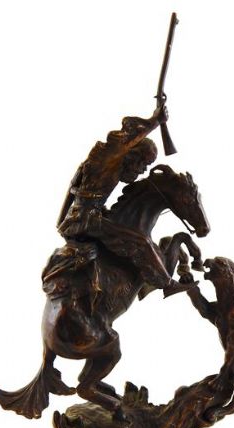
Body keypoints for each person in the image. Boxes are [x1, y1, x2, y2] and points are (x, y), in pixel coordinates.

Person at [57, 104, 195, 297]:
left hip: (84, 217)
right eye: (143, 163)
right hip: (87, 220)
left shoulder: (98, 167)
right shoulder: (108, 164)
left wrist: (62, 220)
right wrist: (155, 121)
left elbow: (71, 190)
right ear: (132, 154)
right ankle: (167, 283)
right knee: (142, 243)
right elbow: (124, 141)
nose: (143, 170)